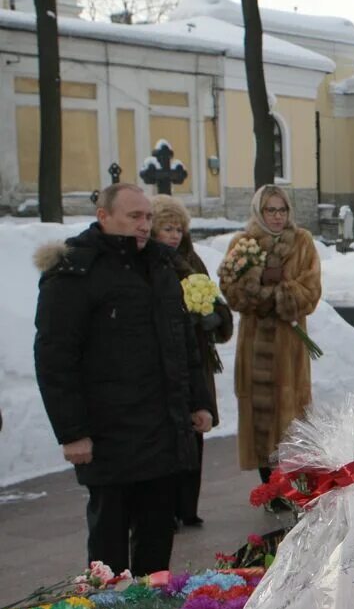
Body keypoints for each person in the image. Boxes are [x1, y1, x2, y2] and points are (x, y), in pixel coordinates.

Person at [34, 183, 213, 576]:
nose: (144, 225)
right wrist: (72, 432)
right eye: (134, 216)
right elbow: (55, 358)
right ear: (104, 217)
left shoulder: (160, 266)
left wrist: (199, 402)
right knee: (109, 549)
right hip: (109, 433)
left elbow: (182, 342)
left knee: (156, 539)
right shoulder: (74, 272)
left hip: (162, 428)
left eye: (148, 217)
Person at [219, 186, 321, 482]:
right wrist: (260, 283)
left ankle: (297, 485)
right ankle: (270, 486)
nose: (277, 217)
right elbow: (233, 293)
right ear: (258, 212)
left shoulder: (303, 242)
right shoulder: (243, 243)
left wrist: (276, 294)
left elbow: (311, 291)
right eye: (270, 210)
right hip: (254, 347)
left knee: (293, 417)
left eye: (282, 210)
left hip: (290, 348)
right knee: (260, 417)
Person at [151, 195, 234, 527]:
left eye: (178, 229)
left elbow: (215, 300)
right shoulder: (154, 264)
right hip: (166, 359)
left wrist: (214, 316)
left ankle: (188, 505)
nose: (173, 235)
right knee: (171, 432)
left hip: (197, 356)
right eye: (166, 228)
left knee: (196, 429)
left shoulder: (192, 260)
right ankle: (166, 507)